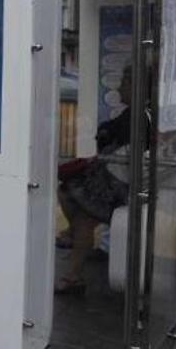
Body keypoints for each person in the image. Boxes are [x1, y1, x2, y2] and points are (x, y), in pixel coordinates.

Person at [55, 66, 140, 296]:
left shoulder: (140, 116)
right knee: (67, 192)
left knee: (83, 215)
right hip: (115, 177)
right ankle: (75, 241)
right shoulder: (133, 114)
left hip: (121, 182)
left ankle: (73, 272)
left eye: (125, 81)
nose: (119, 87)